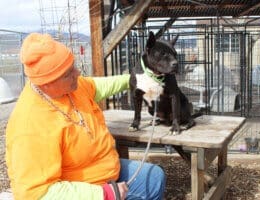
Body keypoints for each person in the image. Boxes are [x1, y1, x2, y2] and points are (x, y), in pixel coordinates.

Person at [5, 33, 166, 200]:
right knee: (151, 184)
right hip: (85, 190)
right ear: (47, 82)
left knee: (154, 177)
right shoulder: (29, 126)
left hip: (103, 170)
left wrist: (133, 79)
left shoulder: (72, 87)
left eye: (73, 66)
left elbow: (99, 86)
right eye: (68, 73)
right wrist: (103, 194)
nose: (77, 73)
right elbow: (37, 194)